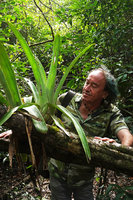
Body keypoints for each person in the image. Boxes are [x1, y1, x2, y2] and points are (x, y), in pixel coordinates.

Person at [48, 67, 133, 200]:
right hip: (57, 175)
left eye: (94, 85)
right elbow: (43, 120)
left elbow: (126, 135)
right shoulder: (66, 100)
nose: (87, 88)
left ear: (104, 93)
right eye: (87, 82)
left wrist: (117, 148)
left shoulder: (110, 113)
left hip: (84, 179)